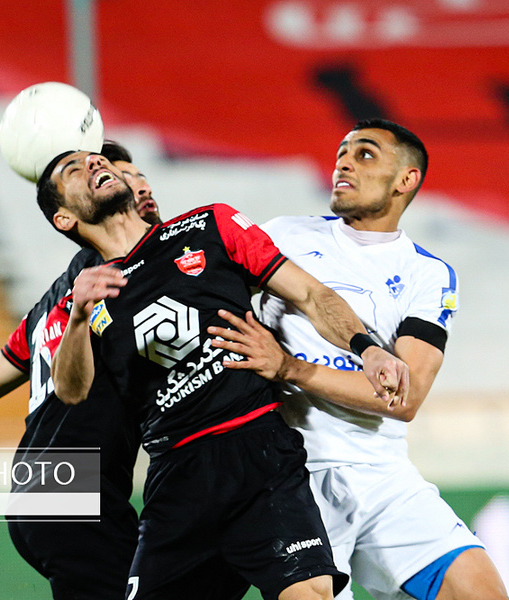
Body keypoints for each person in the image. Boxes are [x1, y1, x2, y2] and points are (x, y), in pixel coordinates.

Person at [43, 148, 411, 600]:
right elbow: (71, 390)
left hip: (258, 451)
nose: (94, 164)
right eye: (73, 169)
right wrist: (79, 317)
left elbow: (311, 295)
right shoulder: (85, 297)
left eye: (94, 159)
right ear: (64, 218)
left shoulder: (209, 226)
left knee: (310, 592)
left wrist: (367, 348)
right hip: (176, 477)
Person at [208, 119, 509, 600]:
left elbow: (403, 398)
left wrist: (290, 368)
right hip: (292, 472)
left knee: (481, 593)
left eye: (365, 154)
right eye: (342, 153)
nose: (343, 163)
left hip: (382, 475)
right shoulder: (284, 235)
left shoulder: (427, 274)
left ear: (406, 179)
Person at [0, 141, 160, 599]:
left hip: (38, 493)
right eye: (124, 178)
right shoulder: (110, 276)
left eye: (141, 178)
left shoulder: (45, 311)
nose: (141, 187)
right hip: (75, 492)